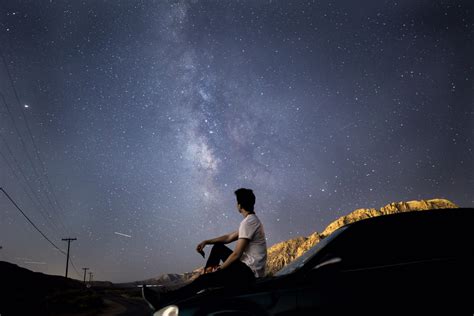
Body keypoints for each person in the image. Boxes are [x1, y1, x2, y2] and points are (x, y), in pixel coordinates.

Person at [142, 188, 267, 310]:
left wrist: (219, 269)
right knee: (217, 247)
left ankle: (162, 299)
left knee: (204, 279)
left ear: (239, 205)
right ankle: (208, 278)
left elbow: (236, 254)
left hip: (249, 273)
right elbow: (228, 237)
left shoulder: (248, 222)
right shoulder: (251, 221)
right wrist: (207, 242)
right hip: (246, 269)